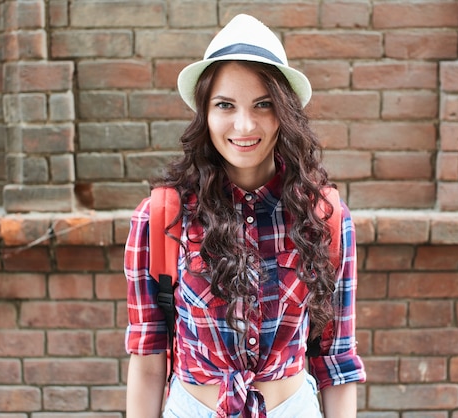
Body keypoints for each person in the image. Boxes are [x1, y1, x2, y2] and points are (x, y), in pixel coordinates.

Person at [124, 14, 365, 418]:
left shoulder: (324, 217)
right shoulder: (160, 217)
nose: (244, 124)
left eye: (262, 105)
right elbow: (148, 359)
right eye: (225, 105)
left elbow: (335, 358)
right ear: (205, 113)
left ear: (284, 113)